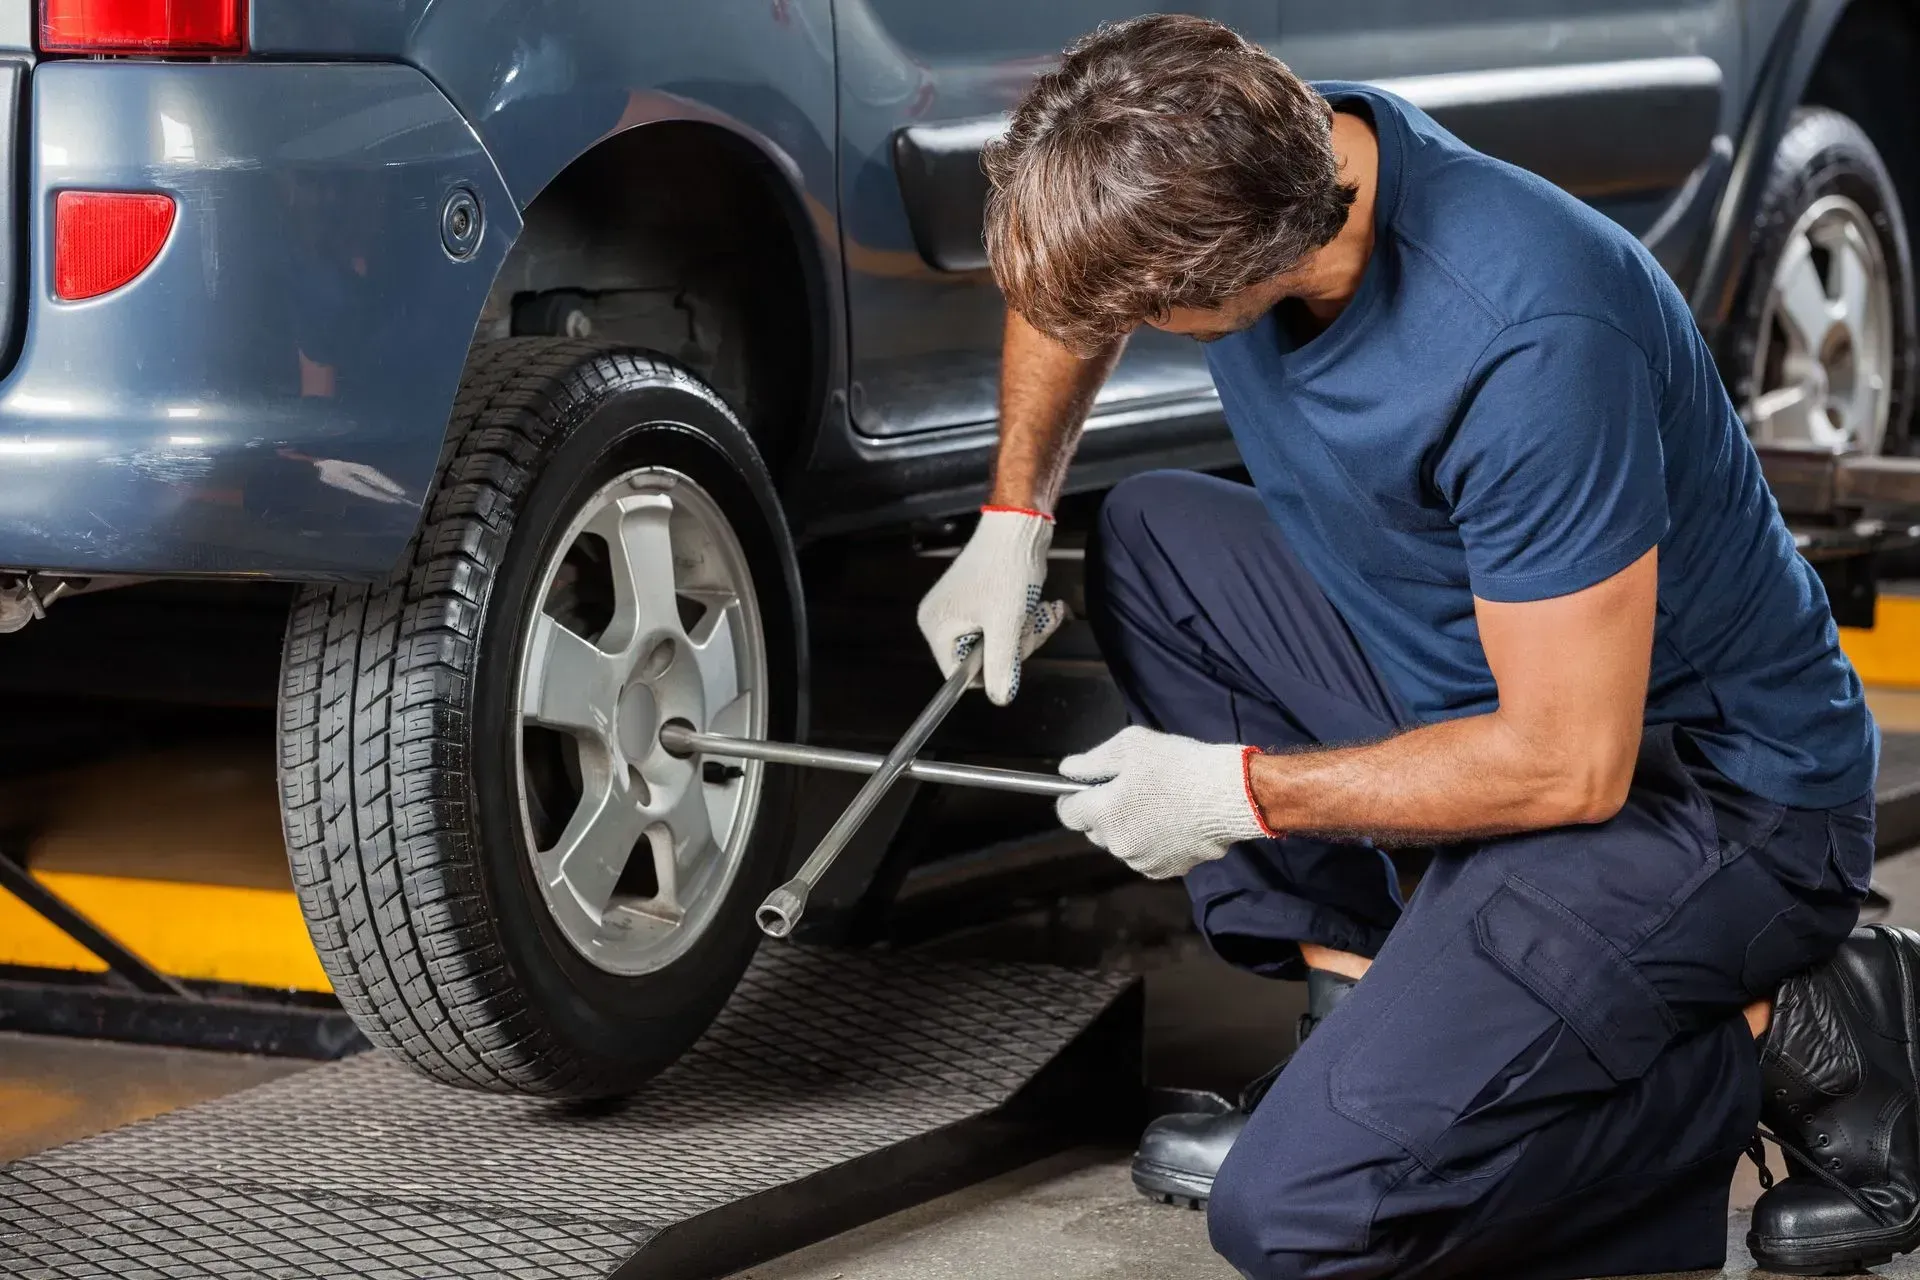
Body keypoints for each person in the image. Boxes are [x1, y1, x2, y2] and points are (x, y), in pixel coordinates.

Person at [914, 15, 1918, 1279]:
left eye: (1148, 310)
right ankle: (1365, 1001)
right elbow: (1074, 278)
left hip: (1704, 792)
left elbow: (1568, 766)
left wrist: (1242, 793)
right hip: (1473, 668)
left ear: (1232, 269)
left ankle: (1786, 1038)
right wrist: (1014, 515)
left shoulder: (1531, 334)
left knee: (1302, 1215)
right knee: (1157, 538)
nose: (1108, 325)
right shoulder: (1273, 145)